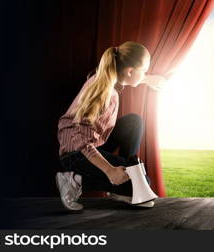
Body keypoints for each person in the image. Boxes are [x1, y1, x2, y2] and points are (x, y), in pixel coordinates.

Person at [55, 41, 167, 212]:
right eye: (143, 70)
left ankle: (124, 184)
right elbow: (81, 140)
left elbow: (134, 75)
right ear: (130, 71)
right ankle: (74, 180)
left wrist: (147, 79)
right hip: (76, 154)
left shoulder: (106, 76)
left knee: (133, 122)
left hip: (92, 144)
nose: (145, 74)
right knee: (146, 182)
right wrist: (110, 170)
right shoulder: (105, 93)